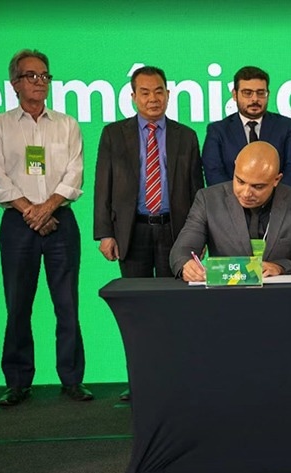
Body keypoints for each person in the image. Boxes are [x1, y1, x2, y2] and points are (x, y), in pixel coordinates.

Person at [0, 49, 92, 406]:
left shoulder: (67, 124)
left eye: (45, 75)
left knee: (67, 304)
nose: (40, 82)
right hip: (18, 223)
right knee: (18, 304)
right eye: (31, 75)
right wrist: (31, 212)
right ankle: (18, 382)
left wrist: (46, 209)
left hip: (60, 219)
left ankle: (72, 379)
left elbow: (74, 173)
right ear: (14, 83)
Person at [93, 65, 204, 401]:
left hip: (176, 233)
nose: (153, 98)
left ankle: (176, 380)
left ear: (168, 94)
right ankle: (140, 381)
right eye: (145, 92)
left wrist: (199, 237)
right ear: (133, 96)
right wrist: (105, 233)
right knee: (137, 312)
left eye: (159, 91)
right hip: (133, 232)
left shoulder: (186, 136)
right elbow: (103, 186)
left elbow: (196, 191)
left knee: (176, 310)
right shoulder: (114, 134)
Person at [171, 142, 291, 280]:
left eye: (257, 187)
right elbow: (182, 250)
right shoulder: (208, 200)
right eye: (240, 181)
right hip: (226, 296)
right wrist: (186, 265)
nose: (246, 193)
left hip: (281, 296)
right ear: (235, 167)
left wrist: (281, 268)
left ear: (276, 180)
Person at [202, 66, 291, 189]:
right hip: (231, 200)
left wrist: (267, 196)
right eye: (247, 93)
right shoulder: (218, 131)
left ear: (268, 94)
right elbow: (213, 174)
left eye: (261, 93)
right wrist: (243, 196)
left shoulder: (286, 127)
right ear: (234, 94)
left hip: (278, 199)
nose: (255, 99)